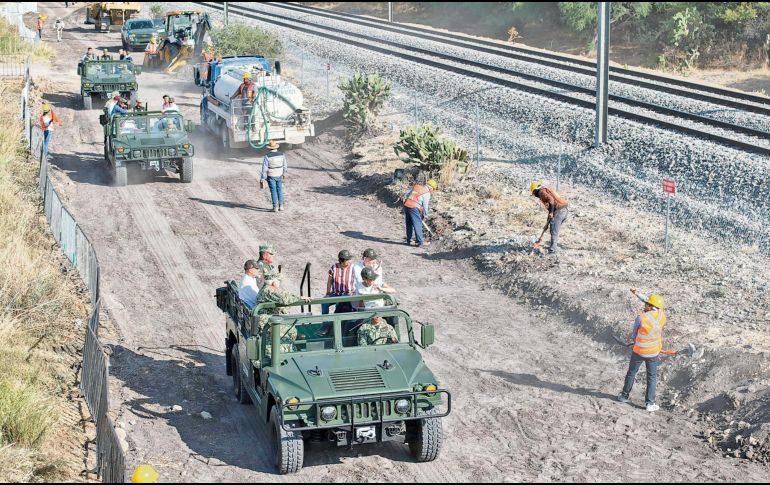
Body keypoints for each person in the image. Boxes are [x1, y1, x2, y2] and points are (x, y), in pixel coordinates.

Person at [618, 289, 667, 412]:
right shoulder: (662, 315)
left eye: (646, 304)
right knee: (652, 377)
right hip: (653, 353)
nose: (645, 305)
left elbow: (634, 334)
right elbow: (650, 301)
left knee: (631, 373)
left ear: (650, 306)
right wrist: (637, 294)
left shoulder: (641, 318)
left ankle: (624, 396)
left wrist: (636, 341)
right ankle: (650, 404)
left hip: (639, 351)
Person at [255, 275, 310, 355]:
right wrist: (300, 298)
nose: (279, 283)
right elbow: (284, 299)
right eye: (278, 281)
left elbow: (283, 295)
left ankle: (291, 345)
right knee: (289, 330)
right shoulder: (268, 290)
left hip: (269, 318)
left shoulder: (267, 288)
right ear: (274, 282)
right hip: (266, 321)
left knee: (290, 328)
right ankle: (289, 349)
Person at [530, 181, 569, 254]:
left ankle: (552, 251)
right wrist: (546, 224)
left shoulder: (541, 192)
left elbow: (551, 200)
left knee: (554, 230)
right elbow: (551, 207)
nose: (535, 195)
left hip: (559, 211)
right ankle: (553, 247)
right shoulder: (545, 190)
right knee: (553, 228)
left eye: (534, 193)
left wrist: (551, 212)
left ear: (535, 190)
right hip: (564, 210)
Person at [403, 179, 437, 248]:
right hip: (414, 207)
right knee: (417, 224)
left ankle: (409, 240)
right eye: (433, 189)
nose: (432, 191)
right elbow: (425, 206)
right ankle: (420, 242)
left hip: (407, 205)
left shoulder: (417, 187)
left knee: (409, 223)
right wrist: (425, 215)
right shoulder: (426, 193)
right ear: (431, 187)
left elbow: (406, 193)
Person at [322, 250, 355, 315]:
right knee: (324, 302)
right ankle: (325, 321)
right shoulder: (334, 267)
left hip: (348, 294)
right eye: (347, 260)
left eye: (349, 259)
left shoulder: (353, 267)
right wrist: (328, 293)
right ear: (341, 260)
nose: (349, 261)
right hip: (335, 293)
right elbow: (329, 281)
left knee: (339, 303)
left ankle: (337, 322)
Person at [259, 140, 287, 212]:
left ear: (269, 148)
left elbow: (264, 168)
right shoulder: (282, 154)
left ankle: (275, 207)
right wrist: (284, 174)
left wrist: (262, 178)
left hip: (271, 176)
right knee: (279, 190)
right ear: (276, 147)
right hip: (279, 175)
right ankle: (281, 206)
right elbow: (285, 165)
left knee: (273, 191)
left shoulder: (267, 156)